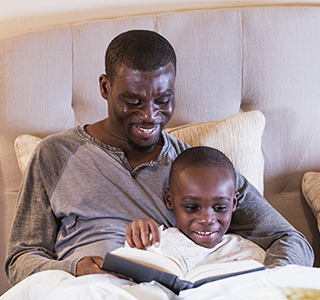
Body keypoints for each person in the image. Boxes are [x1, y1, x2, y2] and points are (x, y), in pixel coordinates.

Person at [5, 29, 313, 285]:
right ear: (105, 87)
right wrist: (75, 268)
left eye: (163, 100)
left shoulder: (198, 170)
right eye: (133, 101)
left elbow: (291, 240)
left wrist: (269, 282)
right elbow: (21, 258)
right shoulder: (55, 154)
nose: (150, 115)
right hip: (86, 289)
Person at [125, 147, 266, 274]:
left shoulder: (250, 252)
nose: (206, 219)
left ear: (234, 202)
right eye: (191, 208)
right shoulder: (159, 242)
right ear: (169, 200)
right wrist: (137, 238)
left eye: (220, 208)